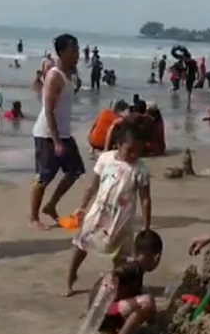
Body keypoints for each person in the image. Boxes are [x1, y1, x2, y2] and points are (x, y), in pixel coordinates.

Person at [65, 120, 152, 296]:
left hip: (122, 218)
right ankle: (70, 277)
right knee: (81, 244)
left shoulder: (141, 169)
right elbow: (92, 186)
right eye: (130, 150)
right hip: (98, 213)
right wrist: (82, 207)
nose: (134, 154)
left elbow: (145, 199)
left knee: (121, 256)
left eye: (139, 151)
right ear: (119, 144)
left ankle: (121, 286)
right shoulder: (105, 159)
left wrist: (146, 226)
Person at [30, 34, 86, 230]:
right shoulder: (55, 75)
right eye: (73, 50)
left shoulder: (69, 75)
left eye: (78, 49)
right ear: (62, 52)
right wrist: (56, 141)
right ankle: (33, 218)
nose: (77, 53)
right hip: (47, 134)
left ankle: (51, 205)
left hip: (63, 132)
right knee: (43, 177)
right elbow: (49, 110)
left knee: (75, 170)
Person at [82, 230, 162, 334]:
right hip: (103, 314)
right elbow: (117, 273)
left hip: (101, 314)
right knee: (146, 301)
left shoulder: (136, 269)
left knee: (143, 294)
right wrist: (110, 277)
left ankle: (114, 333)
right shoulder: (134, 268)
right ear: (157, 257)